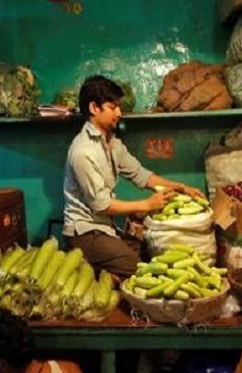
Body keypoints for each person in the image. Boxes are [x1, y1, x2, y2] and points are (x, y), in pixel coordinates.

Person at [62, 74, 205, 278]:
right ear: (94, 108)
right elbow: (101, 206)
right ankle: (83, 266)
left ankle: (102, 269)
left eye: (119, 106)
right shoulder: (83, 152)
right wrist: (147, 205)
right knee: (138, 268)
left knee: (147, 252)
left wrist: (181, 187)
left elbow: (141, 175)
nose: (119, 113)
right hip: (85, 233)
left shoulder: (112, 144)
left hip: (105, 227)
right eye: (113, 107)